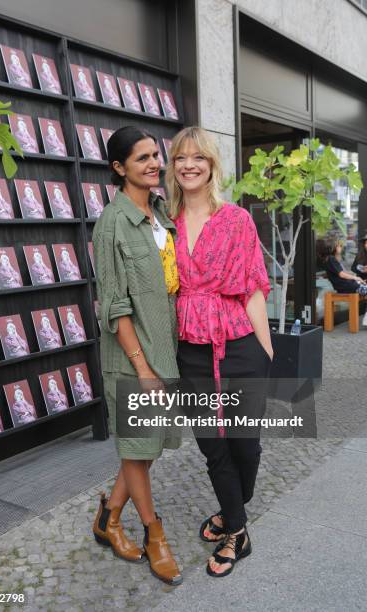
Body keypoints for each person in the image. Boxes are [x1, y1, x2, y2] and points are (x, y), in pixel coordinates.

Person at [166, 126, 272, 578]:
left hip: (240, 344)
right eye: (180, 158)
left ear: (211, 166)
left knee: (245, 444)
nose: (189, 165)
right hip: (192, 348)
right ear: (173, 168)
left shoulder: (237, 220)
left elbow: (253, 288)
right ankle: (238, 530)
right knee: (213, 445)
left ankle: (231, 509)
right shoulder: (163, 224)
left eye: (198, 158)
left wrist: (266, 351)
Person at [92, 126, 182, 586]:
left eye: (156, 155)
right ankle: (154, 535)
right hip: (131, 359)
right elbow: (115, 304)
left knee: (142, 450)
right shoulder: (111, 224)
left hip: (162, 349)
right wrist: (142, 369)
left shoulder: (161, 212)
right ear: (118, 168)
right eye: (142, 158)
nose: (154, 163)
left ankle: (107, 517)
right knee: (138, 448)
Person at [319, 236, 367, 325]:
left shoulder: (329, 259)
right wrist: (356, 278)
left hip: (346, 286)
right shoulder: (331, 259)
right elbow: (342, 274)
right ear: (333, 247)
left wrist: (357, 280)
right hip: (348, 287)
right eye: (339, 245)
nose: (341, 247)